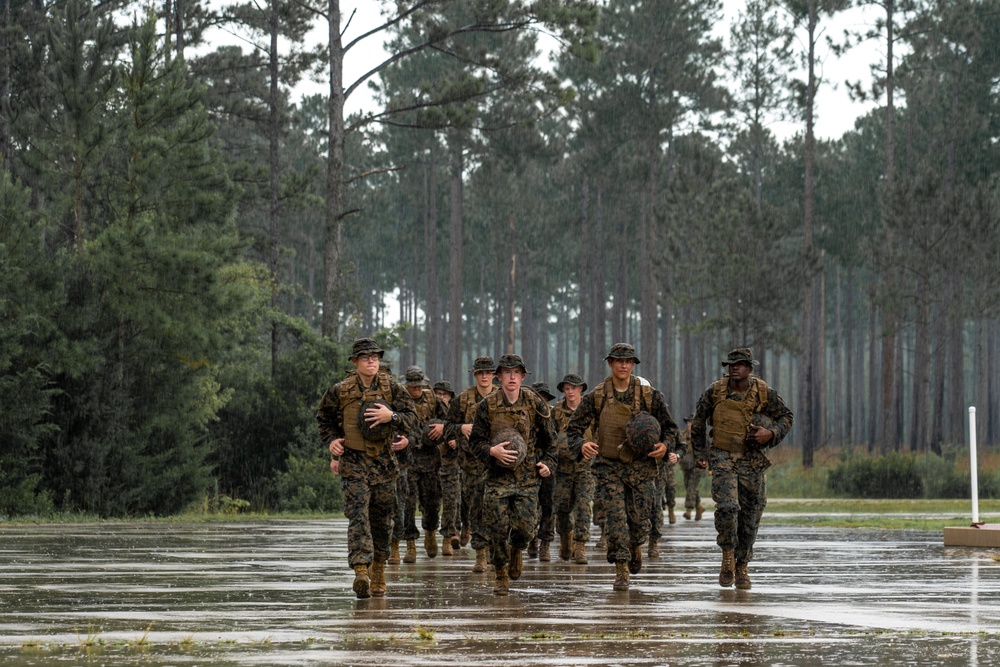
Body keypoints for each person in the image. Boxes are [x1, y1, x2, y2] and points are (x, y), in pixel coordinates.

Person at [566, 343, 682, 591]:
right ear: (610, 363)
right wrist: (583, 444)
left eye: (628, 361)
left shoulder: (650, 396)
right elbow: (573, 430)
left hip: (641, 469)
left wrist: (664, 446)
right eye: (619, 360)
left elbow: (671, 429)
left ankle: (635, 545)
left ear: (633, 365)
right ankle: (621, 569)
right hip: (609, 468)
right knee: (616, 521)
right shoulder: (597, 396)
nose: (623, 365)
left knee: (640, 523)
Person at [317, 337, 416, 599]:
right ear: (355, 362)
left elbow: (411, 417)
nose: (371, 361)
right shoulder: (340, 390)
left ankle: (379, 569)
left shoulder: (392, 389)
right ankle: (361, 569)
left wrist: (391, 416)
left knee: (382, 520)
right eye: (365, 357)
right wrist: (332, 442)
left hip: (383, 463)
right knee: (358, 516)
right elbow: (324, 419)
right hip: (354, 462)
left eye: (375, 357)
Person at [691, 347, 793, 590]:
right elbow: (698, 422)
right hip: (723, 455)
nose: (735, 368)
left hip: (752, 459)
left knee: (751, 513)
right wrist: (700, 453)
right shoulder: (714, 391)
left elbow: (786, 417)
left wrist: (771, 433)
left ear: (749, 368)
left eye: (740, 364)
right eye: (731, 364)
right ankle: (727, 554)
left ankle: (742, 565)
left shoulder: (763, 392)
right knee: (727, 506)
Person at [469, 354, 557, 595]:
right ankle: (500, 574)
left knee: (527, 529)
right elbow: (475, 442)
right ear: (499, 376)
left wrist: (548, 463)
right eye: (506, 372)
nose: (511, 377)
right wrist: (491, 451)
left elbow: (552, 440)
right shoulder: (487, 405)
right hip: (497, 477)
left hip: (528, 477)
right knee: (496, 528)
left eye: (515, 372)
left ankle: (517, 548)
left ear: (522, 376)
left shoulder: (535, 403)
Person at [444, 356, 496, 572]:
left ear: (494, 375)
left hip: (499, 463)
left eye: (488, 372)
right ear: (474, 375)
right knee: (476, 509)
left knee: (498, 509)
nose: (484, 376)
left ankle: (496, 550)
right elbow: (446, 427)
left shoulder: (504, 397)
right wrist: (461, 427)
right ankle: (482, 555)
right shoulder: (463, 400)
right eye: (480, 373)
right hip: (472, 464)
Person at [403, 366, 448, 560]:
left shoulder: (433, 399)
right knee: (407, 503)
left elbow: (451, 419)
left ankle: (430, 533)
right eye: (412, 386)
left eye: (419, 385)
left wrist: (442, 426)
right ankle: (410, 543)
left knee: (431, 502)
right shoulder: (400, 400)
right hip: (408, 459)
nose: (416, 389)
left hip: (430, 459)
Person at [552, 373, 594, 564]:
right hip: (562, 468)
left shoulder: (589, 409)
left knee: (584, 506)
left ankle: (580, 546)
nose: (570, 392)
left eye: (574, 388)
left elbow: (599, 431)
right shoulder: (556, 411)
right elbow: (549, 434)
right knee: (562, 508)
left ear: (581, 390)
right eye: (567, 388)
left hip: (585, 467)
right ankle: (565, 538)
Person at [527, 381, 557, 561]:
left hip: (548, 466)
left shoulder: (553, 416)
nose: (541, 400)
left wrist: (551, 463)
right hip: (528, 465)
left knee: (548, 506)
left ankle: (545, 542)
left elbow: (556, 442)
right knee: (529, 505)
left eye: (544, 397)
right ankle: (531, 539)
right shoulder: (524, 415)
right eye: (538, 396)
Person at [433, 380, 462, 556]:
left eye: (444, 394)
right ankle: (430, 535)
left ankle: (448, 537)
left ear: (451, 396)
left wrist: (457, 440)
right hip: (430, 462)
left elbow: (469, 430)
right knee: (431, 503)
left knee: (452, 501)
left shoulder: (457, 411)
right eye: (438, 393)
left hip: (451, 462)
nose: (441, 397)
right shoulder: (430, 408)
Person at [679, 414, 706, 520]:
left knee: (691, 487)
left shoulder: (699, 436)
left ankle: (688, 511)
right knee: (689, 487)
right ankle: (699, 507)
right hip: (685, 466)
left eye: (692, 422)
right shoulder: (682, 435)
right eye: (688, 422)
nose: (690, 424)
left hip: (696, 466)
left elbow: (706, 449)